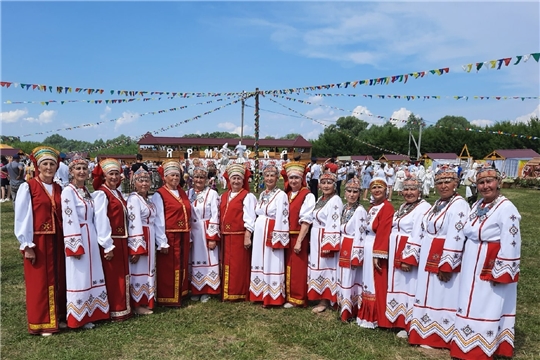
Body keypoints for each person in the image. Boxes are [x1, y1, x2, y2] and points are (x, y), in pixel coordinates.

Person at [450, 166, 521, 360]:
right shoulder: (478, 205)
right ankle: (465, 344)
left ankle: (483, 348)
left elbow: (512, 241)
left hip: (490, 262)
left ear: (498, 183)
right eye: (481, 183)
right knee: (468, 301)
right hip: (472, 258)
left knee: (487, 303)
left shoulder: (507, 208)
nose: (485, 186)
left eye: (489, 182)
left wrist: (503, 271)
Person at [408, 166, 470, 349]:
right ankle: (423, 329)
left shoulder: (459, 205)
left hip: (443, 253)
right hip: (429, 251)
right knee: (427, 292)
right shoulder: (438, 203)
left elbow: (456, 236)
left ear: (455, 183)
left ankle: (439, 335)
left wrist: (447, 264)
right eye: (439, 183)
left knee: (442, 293)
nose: (443, 186)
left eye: (447, 182)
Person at [14, 146, 66, 336]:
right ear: (37, 166)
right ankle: (41, 322)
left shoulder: (60, 188)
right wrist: (27, 244)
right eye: (45, 164)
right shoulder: (28, 187)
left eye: (52, 164)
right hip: (39, 240)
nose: (49, 167)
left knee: (59, 278)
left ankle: (57, 317)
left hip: (58, 238)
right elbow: (22, 217)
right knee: (40, 281)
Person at [62, 154, 110, 329]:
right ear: (71, 172)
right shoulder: (68, 191)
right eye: (78, 169)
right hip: (79, 235)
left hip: (90, 234)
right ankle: (78, 317)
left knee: (92, 274)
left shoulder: (87, 192)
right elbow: (69, 219)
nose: (82, 172)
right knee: (79, 276)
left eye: (84, 168)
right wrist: (74, 244)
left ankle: (93, 312)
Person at [386, 176, 431, 337]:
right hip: (396, 248)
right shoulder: (405, 206)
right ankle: (396, 319)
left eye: (413, 189)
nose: (409, 192)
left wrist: (409, 257)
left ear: (420, 191)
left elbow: (418, 234)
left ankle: (409, 322)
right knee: (398, 285)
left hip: (408, 250)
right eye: (406, 189)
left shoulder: (423, 208)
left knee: (409, 286)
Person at [92, 158, 132, 322]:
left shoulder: (116, 192)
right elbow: (101, 219)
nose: (114, 177)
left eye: (117, 174)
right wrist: (107, 244)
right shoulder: (101, 194)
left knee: (122, 274)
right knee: (113, 276)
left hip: (122, 238)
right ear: (104, 176)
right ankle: (114, 309)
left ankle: (123, 308)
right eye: (111, 174)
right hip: (111, 240)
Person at [152, 159, 191, 307]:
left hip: (183, 234)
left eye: (177, 175)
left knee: (181, 264)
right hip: (169, 235)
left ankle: (181, 293)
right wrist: (162, 241)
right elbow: (159, 219)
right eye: (171, 175)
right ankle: (168, 297)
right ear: (165, 177)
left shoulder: (182, 192)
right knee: (170, 266)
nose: (175, 178)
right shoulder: (160, 194)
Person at [249, 164, 289, 307]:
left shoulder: (281, 195)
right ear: (263, 177)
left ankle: (272, 296)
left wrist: (278, 237)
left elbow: (283, 217)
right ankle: (259, 293)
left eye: (272, 176)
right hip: (260, 232)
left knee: (272, 262)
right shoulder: (262, 194)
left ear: (277, 178)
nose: (269, 178)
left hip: (272, 231)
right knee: (260, 260)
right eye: (267, 175)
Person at [357, 177, 394, 329]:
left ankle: (376, 316)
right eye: (374, 188)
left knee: (375, 282)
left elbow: (384, 232)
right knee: (367, 280)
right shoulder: (372, 207)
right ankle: (365, 314)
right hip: (367, 245)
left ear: (385, 189)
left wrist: (378, 254)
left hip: (376, 246)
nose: (377, 190)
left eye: (380, 187)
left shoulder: (387, 207)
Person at [219, 163, 257, 301]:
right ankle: (226, 292)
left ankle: (238, 292)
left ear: (243, 181)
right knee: (226, 263)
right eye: (233, 178)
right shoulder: (224, 196)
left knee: (238, 265)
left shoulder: (247, 196)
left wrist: (248, 235)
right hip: (225, 235)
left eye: (239, 179)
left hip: (239, 235)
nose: (236, 181)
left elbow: (250, 217)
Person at [127, 168, 162, 315]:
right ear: (134, 183)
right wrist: (137, 248)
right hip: (141, 237)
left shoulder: (147, 199)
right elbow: (133, 223)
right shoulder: (134, 199)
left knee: (148, 270)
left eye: (147, 180)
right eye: (140, 181)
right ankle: (136, 304)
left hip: (150, 235)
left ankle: (147, 299)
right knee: (138, 271)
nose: (144, 183)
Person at [308, 171, 343, 313]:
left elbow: (334, 222)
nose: (326, 185)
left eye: (329, 183)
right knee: (317, 266)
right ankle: (319, 295)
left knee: (326, 267)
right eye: (323, 183)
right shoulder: (321, 199)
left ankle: (326, 299)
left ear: (334, 186)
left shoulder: (335, 200)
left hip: (325, 237)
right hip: (316, 236)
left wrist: (329, 243)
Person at [281, 161, 315, 308]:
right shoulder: (287, 194)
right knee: (287, 265)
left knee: (298, 268)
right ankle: (287, 294)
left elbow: (306, 220)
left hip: (298, 234)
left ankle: (298, 298)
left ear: (302, 179)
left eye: (296, 178)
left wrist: (300, 240)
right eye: (291, 178)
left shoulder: (307, 195)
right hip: (286, 235)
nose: (294, 181)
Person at [187, 165, 221, 303]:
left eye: (202, 177)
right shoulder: (189, 193)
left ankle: (207, 289)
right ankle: (196, 288)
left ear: (207, 179)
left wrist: (212, 237)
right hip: (193, 231)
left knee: (208, 259)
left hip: (205, 229)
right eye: (196, 177)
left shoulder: (212, 194)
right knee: (194, 259)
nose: (199, 180)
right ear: (192, 179)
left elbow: (215, 215)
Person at [337, 177, 367, 322]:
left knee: (351, 278)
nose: (352, 194)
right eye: (349, 191)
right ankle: (342, 306)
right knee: (343, 277)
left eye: (355, 192)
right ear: (345, 193)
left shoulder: (360, 211)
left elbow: (361, 234)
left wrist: (357, 256)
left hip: (352, 245)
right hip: (343, 244)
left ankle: (350, 310)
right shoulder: (344, 208)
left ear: (359, 194)